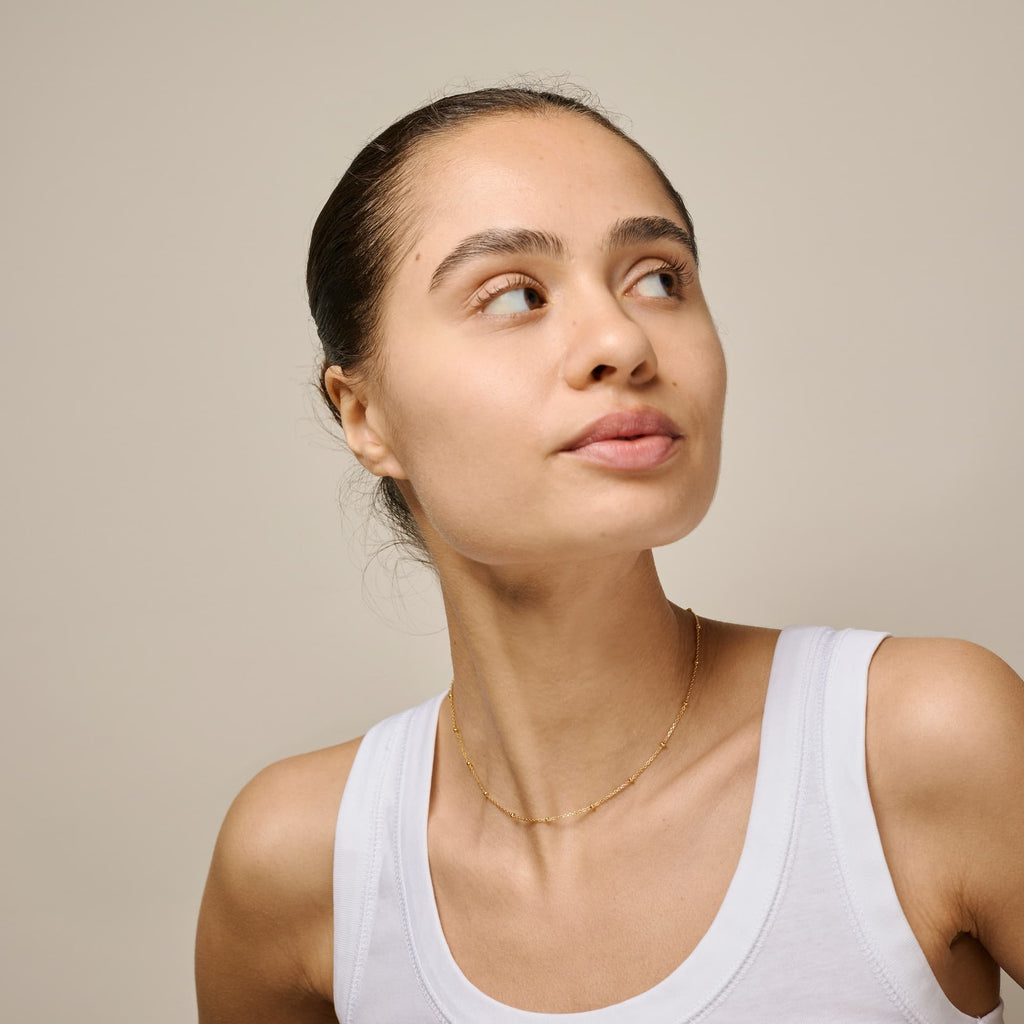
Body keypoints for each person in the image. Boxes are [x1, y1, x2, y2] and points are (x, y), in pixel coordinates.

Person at [195, 87, 1023, 1023]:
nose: (622, 342)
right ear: (365, 415)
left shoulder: (921, 746)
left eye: (658, 278)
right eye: (514, 295)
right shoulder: (300, 865)